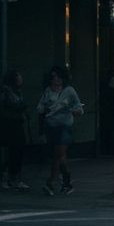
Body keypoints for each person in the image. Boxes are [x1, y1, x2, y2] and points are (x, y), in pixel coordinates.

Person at [36, 66, 83, 195]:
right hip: (51, 127)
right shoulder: (48, 91)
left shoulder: (69, 91)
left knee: (57, 155)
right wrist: (44, 109)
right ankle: (67, 182)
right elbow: (40, 107)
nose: (56, 79)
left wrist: (70, 109)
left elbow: (79, 109)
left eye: (58, 77)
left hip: (64, 126)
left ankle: (50, 183)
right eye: (53, 77)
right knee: (60, 156)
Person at [0, 68, 31, 190]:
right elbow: (14, 105)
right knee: (9, 152)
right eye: (19, 77)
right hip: (8, 125)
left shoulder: (16, 91)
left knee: (16, 151)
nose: (21, 79)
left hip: (14, 124)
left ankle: (13, 177)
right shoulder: (7, 92)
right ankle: (7, 177)